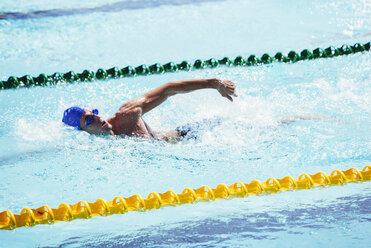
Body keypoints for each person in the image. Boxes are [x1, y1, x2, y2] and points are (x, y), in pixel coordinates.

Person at [62, 78, 237, 142]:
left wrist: (213, 84)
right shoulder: (95, 148)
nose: (98, 118)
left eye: (95, 113)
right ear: (82, 131)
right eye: (89, 120)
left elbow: (168, 89)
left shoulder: (126, 115)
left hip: (188, 136)